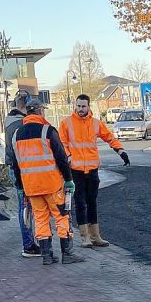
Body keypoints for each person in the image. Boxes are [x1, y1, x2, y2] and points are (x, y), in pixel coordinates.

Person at [13, 98, 85, 265]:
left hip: (31, 186)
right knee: (61, 216)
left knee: (40, 219)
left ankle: (47, 255)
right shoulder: (48, 131)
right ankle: (67, 254)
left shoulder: (17, 135)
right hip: (52, 185)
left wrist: (20, 186)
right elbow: (61, 158)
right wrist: (68, 179)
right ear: (40, 111)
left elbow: (16, 164)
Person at [58, 94, 130, 248]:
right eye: (78, 106)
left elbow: (109, 137)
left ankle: (95, 236)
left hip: (92, 170)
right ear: (75, 106)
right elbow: (61, 143)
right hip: (75, 170)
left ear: (89, 106)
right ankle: (85, 237)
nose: (80, 109)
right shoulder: (66, 123)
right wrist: (68, 156)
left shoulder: (96, 123)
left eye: (83, 106)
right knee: (80, 203)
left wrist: (120, 150)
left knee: (92, 203)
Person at [5, 93, 42, 257]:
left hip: (16, 168)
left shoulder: (10, 121)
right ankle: (29, 245)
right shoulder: (20, 124)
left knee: (26, 206)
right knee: (26, 207)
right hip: (21, 170)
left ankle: (30, 243)